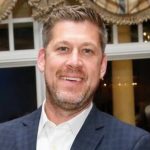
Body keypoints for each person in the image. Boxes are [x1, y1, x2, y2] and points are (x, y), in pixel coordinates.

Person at [0, 5, 150, 150]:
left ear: (102, 66)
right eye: (63, 49)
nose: (74, 62)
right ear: (42, 60)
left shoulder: (132, 144)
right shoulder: (3, 138)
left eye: (87, 51)